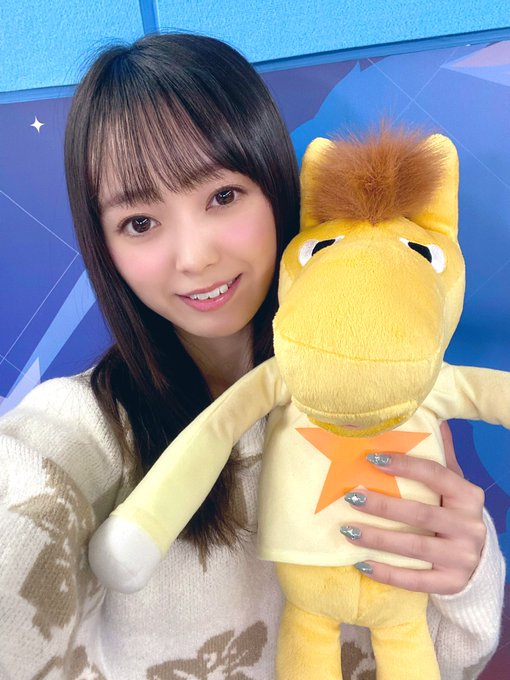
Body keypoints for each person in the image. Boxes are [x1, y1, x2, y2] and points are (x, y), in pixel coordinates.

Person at [0, 32, 505, 680]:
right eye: (140, 223)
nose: (194, 257)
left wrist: (465, 573)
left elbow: (457, 662)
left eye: (222, 196)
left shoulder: (383, 396)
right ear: (105, 246)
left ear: (276, 187)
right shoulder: (89, 430)